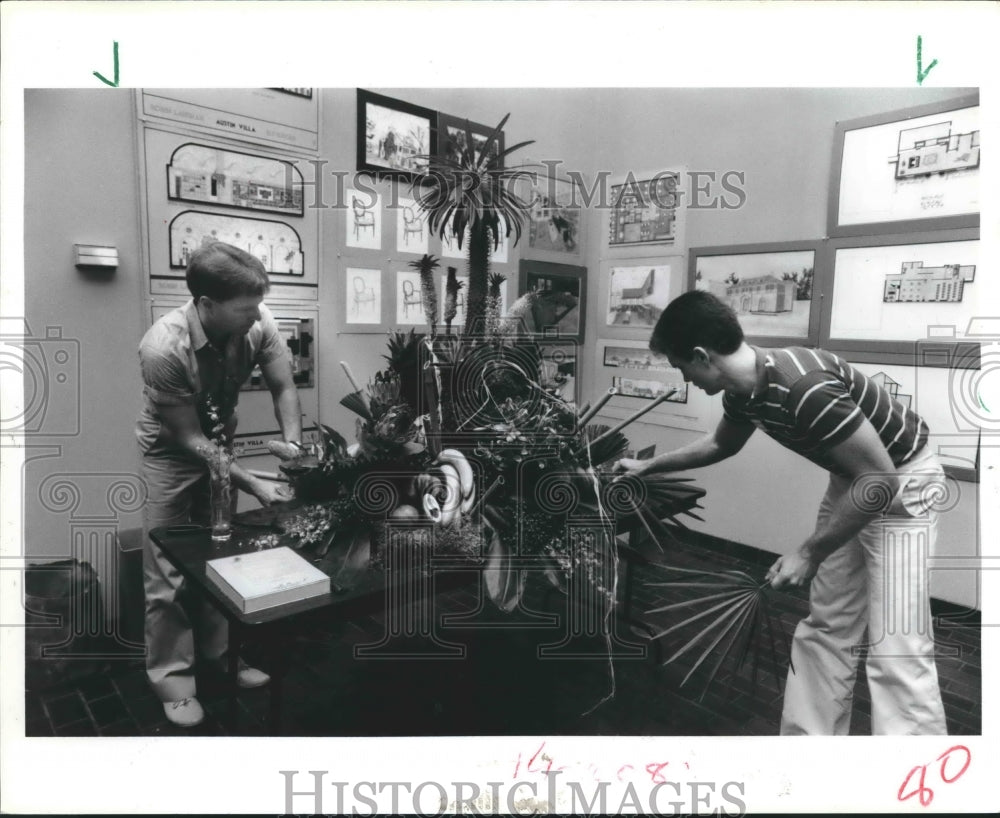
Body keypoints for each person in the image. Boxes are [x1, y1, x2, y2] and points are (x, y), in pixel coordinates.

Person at [614, 290, 948, 735]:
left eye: (682, 368)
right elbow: (720, 445)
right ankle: (806, 752)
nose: (687, 379)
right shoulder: (743, 390)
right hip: (855, 479)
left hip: (903, 482)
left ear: (700, 354)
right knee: (828, 625)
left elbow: (882, 483)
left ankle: (915, 781)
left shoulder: (803, 388)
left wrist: (808, 553)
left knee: (897, 645)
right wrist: (648, 465)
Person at [136, 242, 304, 727]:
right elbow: (187, 437)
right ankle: (173, 680)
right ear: (207, 305)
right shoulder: (162, 347)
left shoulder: (258, 318)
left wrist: (291, 448)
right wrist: (251, 482)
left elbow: (283, 387)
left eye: (258, 306)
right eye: (245, 309)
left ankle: (223, 659)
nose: (257, 318)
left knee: (221, 556)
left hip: (219, 451)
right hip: (171, 456)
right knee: (166, 572)